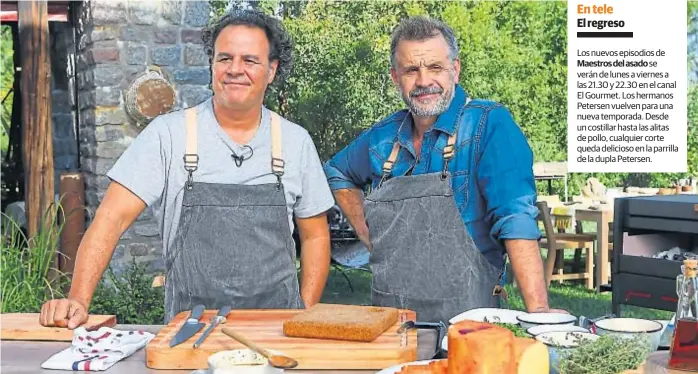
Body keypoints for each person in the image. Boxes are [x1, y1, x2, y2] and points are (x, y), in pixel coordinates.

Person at [40, 9, 335, 328]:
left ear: (272, 70)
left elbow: (315, 236)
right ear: (212, 65)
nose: (235, 69)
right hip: (190, 331)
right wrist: (79, 299)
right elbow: (111, 218)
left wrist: (303, 314)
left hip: (277, 330)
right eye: (225, 58)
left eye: (249, 60)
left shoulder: (295, 142)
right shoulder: (168, 135)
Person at [324, 16, 565, 324]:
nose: (424, 81)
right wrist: (370, 237)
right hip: (392, 323)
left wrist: (539, 311)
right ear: (395, 77)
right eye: (411, 70)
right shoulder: (382, 138)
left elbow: (515, 219)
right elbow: (336, 172)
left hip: (469, 325)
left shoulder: (488, 125)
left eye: (435, 67)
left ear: (455, 69)